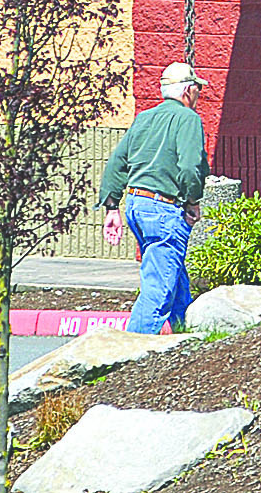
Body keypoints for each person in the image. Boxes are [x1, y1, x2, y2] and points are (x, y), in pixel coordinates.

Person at [99, 62, 211, 333]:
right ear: (187, 91)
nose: (198, 96)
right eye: (197, 90)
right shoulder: (188, 119)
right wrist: (193, 201)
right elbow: (189, 167)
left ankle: (185, 336)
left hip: (137, 206)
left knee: (175, 277)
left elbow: (117, 164)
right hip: (164, 209)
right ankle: (131, 355)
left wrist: (112, 208)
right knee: (158, 288)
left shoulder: (144, 118)